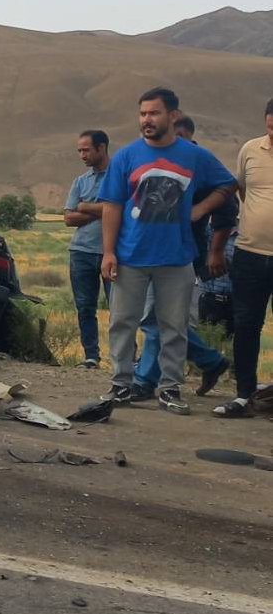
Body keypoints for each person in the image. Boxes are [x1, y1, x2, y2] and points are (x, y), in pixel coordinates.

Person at [93, 87, 236, 415]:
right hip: (130, 256)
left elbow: (228, 185)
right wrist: (109, 252)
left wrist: (200, 210)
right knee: (123, 323)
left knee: (174, 327)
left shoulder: (194, 156)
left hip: (177, 257)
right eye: (142, 113)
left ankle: (170, 389)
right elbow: (112, 206)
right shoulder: (127, 156)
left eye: (154, 113)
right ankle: (121, 383)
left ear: (173, 116)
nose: (146, 120)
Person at [128, 114, 232, 400]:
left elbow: (226, 209)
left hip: (186, 252)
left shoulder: (200, 163)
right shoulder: (157, 162)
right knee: (165, 320)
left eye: (180, 137)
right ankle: (211, 360)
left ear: (188, 136)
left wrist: (215, 250)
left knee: (158, 320)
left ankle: (144, 381)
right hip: (151, 250)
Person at [220, 99, 273, 417]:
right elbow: (241, 190)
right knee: (246, 325)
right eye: (270, 125)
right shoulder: (250, 150)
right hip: (250, 253)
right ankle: (243, 396)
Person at [64, 129, 111, 368]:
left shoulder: (119, 176)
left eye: (86, 150)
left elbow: (119, 209)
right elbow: (69, 218)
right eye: (79, 150)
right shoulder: (80, 181)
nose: (82, 155)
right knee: (85, 306)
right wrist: (100, 209)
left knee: (119, 309)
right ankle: (91, 356)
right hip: (81, 251)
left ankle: (125, 358)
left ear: (101, 148)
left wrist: (84, 206)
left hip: (112, 252)